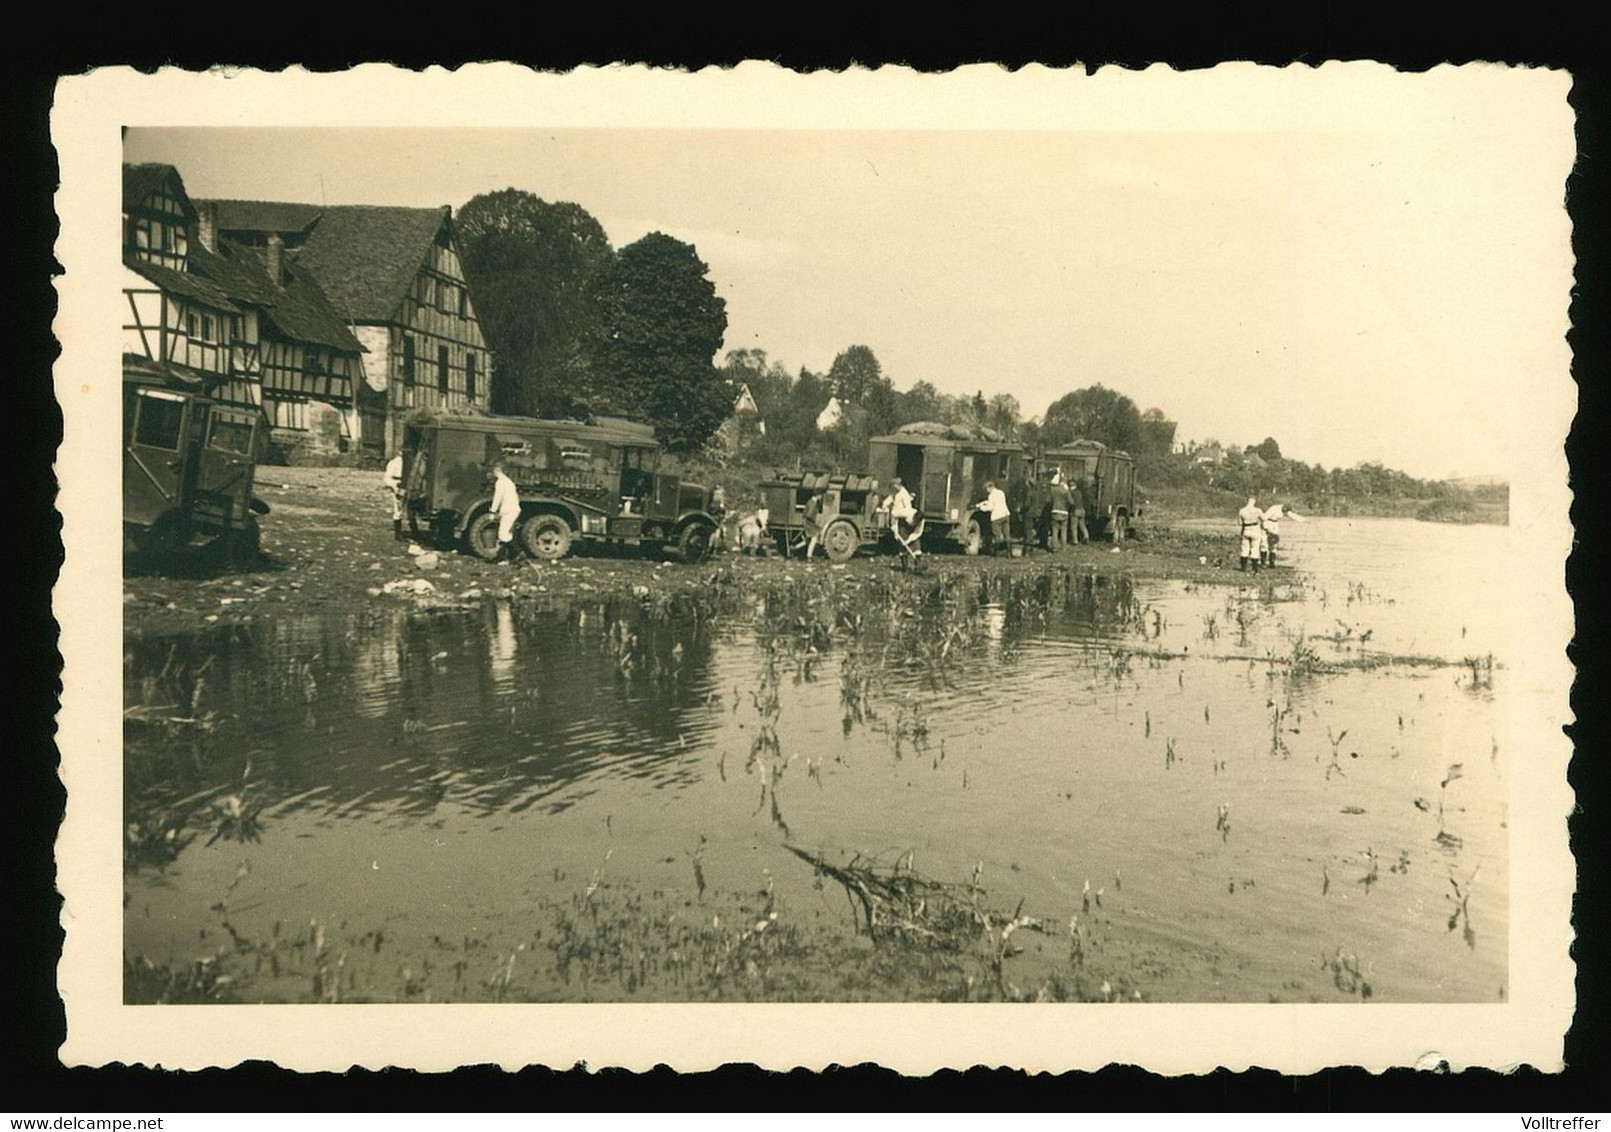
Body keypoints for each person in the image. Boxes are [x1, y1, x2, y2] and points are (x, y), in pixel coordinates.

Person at [880, 477, 923, 559]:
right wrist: (884, 505)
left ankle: (917, 561)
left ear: (898, 485)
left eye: (894, 486)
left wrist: (894, 513)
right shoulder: (896, 493)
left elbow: (907, 510)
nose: (893, 488)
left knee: (911, 542)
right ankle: (905, 566)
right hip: (900, 520)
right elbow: (890, 498)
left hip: (905, 519)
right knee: (901, 542)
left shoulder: (904, 495)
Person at [488, 456, 521, 563]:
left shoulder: (500, 482)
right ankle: (504, 558)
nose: (492, 472)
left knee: (503, 534)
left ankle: (518, 554)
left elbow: (497, 498)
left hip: (508, 510)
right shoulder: (508, 481)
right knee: (507, 534)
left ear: (497, 470)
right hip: (513, 509)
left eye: (493, 470)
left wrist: (492, 512)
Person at [1261, 502, 1305, 566]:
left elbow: (1293, 516)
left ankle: (1272, 562)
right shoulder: (1274, 508)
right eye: (1284, 511)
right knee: (1264, 543)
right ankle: (1263, 562)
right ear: (1283, 507)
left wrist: (1304, 520)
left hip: (1275, 525)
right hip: (1268, 522)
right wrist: (1265, 527)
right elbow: (1264, 518)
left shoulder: (1286, 510)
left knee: (1274, 543)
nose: (1285, 513)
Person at [974, 479, 1011, 555]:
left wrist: (981, 508)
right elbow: (995, 502)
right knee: (1007, 534)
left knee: (997, 535)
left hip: (996, 517)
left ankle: (996, 553)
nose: (987, 491)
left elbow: (990, 507)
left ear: (990, 488)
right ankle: (1009, 553)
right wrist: (983, 503)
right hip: (1005, 515)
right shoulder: (1001, 492)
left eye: (987, 489)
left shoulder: (991, 495)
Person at [383, 451, 406, 542]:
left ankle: (415, 531)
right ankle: (398, 534)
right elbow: (387, 478)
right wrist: (395, 486)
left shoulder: (413, 462)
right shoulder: (394, 463)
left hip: (409, 485)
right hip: (398, 486)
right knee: (398, 510)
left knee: (410, 510)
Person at [1048, 471, 1074, 551]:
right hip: (1064, 512)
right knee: (1063, 530)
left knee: (1055, 530)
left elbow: (1048, 501)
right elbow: (1071, 502)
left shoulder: (1053, 490)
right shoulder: (1066, 491)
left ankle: (1054, 547)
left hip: (1055, 511)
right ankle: (1063, 548)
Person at [1238, 496, 1264, 572]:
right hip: (1255, 529)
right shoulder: (1258, 510)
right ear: (1254, 501)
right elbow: (1264, 519)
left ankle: (1243, 568)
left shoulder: (1242, 511)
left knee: (1244, 549)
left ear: (1247, 501)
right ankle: (1254, 568)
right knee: (1255, 549)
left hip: (1246, 529)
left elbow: (1240, 523)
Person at [801, 489, 827, 560]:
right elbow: (809, 515)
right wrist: (816, 523)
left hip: (807, 522)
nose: (821, 497)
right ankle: (809, 556)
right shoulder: (813, 503)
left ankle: (796, 548)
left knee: (808, 540)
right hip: (809, 523)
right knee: (814, 538)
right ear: (818, 496)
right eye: (821, 496)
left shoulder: (810, 501)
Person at [1071, 477, 1091, 545]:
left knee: (1074, 526)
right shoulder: (1080, 492)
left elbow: (1071, 502)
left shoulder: (1072, 493)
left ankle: (1075, 541)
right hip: (1082, 510)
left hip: (1075, 510)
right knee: (1082, 525)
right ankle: (1086, 537)